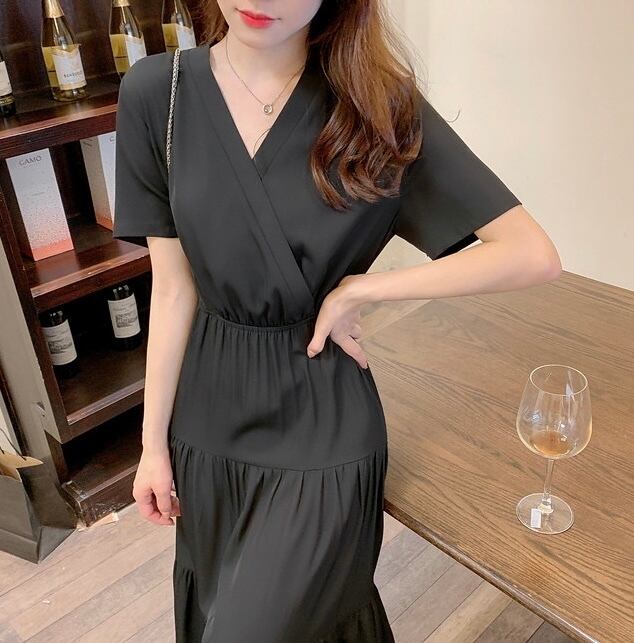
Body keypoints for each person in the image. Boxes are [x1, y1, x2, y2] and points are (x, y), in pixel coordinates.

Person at [112, 1, 561, 641]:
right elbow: (173, 287)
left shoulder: (377, 107)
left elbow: (530, 253)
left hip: (321, 417)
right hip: (207, 412)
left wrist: (366, 290)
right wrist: (152, 445)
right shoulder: (159, 93)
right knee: (224, 601)